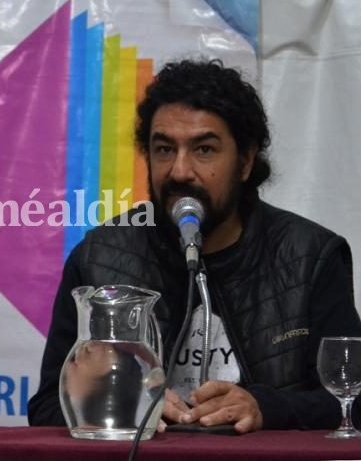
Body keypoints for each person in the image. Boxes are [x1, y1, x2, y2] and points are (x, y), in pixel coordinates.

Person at [28, 58, 361, 433]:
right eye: (164, 149)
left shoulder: (308, 257)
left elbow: (354, 400)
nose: (180, 171)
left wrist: (267, 407)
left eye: (204, 150)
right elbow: (45, 408)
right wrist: (124, 404)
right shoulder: (99, 258)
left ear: (247, 161)